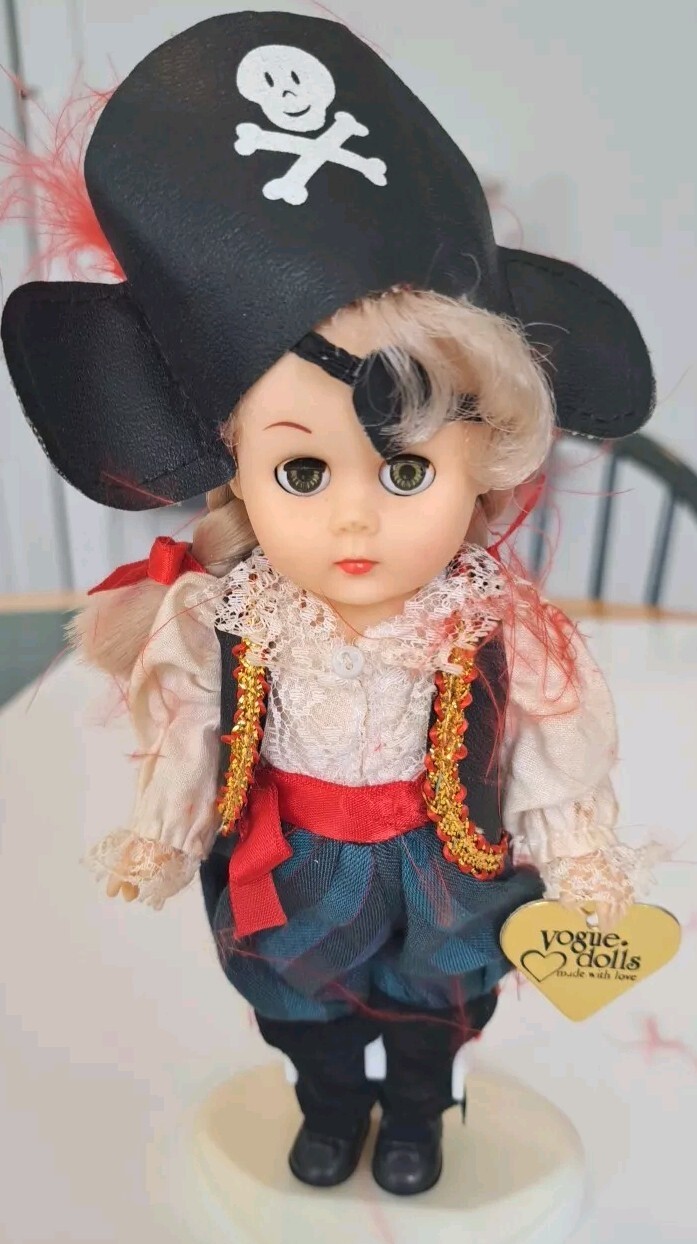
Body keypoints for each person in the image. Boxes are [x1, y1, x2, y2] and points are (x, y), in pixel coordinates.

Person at [1, 11, 659, 1197]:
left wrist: (577, 850)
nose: (356, 520)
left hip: (443, 861)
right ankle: (330, 1098)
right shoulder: (234, 614)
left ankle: (414, 1109)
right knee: (295, 999)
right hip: (290, 852)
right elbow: (192, 729)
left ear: (483, 461)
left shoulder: (490, 623)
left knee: (437, 1002)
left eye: (405, 472)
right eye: (303, 470)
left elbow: (551, 742)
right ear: (239, 467)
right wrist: (164, 827)